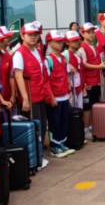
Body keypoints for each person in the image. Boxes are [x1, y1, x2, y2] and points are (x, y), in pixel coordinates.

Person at [14, 22, 54, 161]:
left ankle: (39, 155)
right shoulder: (19, 53)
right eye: (30, 35)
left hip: (41, 94)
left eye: (36, 34)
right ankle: (33, 158)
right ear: (22, 35)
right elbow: (18, 76)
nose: (33, 37)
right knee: (33, 128)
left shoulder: (37, 51)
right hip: (31, 97)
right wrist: (25, 98)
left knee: (42, 126)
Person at [43, 31, 74, 158]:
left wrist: (69, 90)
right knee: (54, 122)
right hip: (55, 97)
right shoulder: (48, 60)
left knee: (64, 121)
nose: (60, 43)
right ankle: (54, 146)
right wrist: (51, 97)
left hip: (65, 95)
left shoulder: (63, 58)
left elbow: (66, 75)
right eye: (57, 41)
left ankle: (62, 143)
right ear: (49, 43)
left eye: (61, 41)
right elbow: (46, 81)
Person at [79, 23, 105, 136]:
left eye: (92, 32)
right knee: (88, 107)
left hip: (96, 81)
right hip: (88, 82)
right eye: (88, 32)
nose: (91, 34)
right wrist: (100, 67)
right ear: (82, 33)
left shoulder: (95, 47)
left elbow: (99, 62)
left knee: (95, 104)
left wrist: (101, 76)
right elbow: (84, 65)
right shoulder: (81, 48)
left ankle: (92, 126)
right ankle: (86, 128)